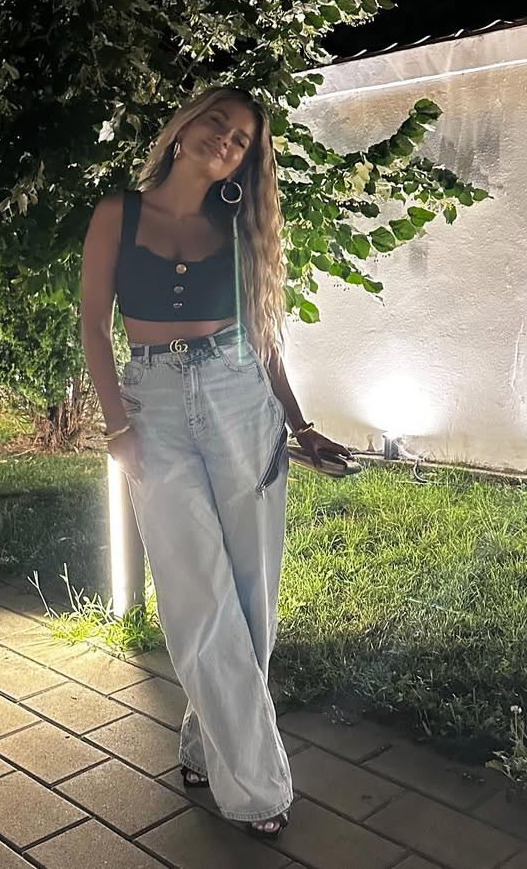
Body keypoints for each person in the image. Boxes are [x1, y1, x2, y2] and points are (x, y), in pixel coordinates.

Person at [80, 85, 348, 838]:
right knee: (196, 594)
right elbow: (94, 328)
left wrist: (299, 424)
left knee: (251, 594)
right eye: (216, 122)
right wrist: (117, 426)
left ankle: (206, 745)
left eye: (241, 141)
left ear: (244, 162)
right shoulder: (117, 213)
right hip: (153, 407)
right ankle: (258, 789)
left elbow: (264, 337)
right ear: (184, 125)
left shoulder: (238, 225)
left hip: (240, 398)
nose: (225, 140)